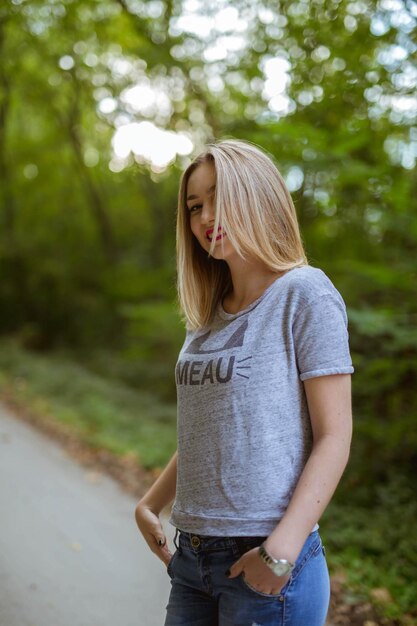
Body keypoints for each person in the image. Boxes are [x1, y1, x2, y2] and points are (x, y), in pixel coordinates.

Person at [135, 139, 354, 626]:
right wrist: (152, 503)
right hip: (191, 559)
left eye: (219, 197)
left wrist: (280, 552)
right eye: (195, 206)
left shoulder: (305, 293)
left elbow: (335, 436)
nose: (205, 216)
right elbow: (209, 431)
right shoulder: (206, 316)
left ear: (257, 195)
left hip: (264, 558)